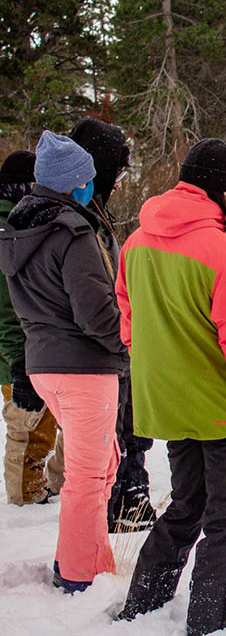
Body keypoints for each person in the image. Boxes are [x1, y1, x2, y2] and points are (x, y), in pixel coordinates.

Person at [115, 138, 226, 636]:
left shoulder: (135, 244)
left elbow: (129, 325)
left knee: (186, 507)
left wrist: (162, 370)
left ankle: (141, 608)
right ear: (223, 194)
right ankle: (213, 621)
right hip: (223, 412)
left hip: (168, 408)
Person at [0, 132, 127, 592]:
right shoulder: (71, 232)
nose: (94, 185)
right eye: (89, 179)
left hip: (45, 363)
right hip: (83, 367)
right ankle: (79, 574)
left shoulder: (22, 229)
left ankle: (86, 557)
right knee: (89, 479)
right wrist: (127, 343)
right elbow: (96, 311)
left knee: (100, 466)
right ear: (75, 183)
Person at [70, 116, 157, 532]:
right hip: (99, 348)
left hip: (113, 342)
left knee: (130, 422)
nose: (121, 181)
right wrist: (123, 337)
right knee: (116, 430)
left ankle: (129, 498)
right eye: (116, 172)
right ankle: (122, 503)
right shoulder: (78, 219)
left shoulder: (94, 211)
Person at [0, 150, 62, 505]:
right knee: (29, 426)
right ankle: (24, 496)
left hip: (29, 347)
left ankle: (35, 487)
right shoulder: (10, 229)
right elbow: (6, 311)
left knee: (42, 423)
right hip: (16, 351)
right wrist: (18, 363)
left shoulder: (21, 224)